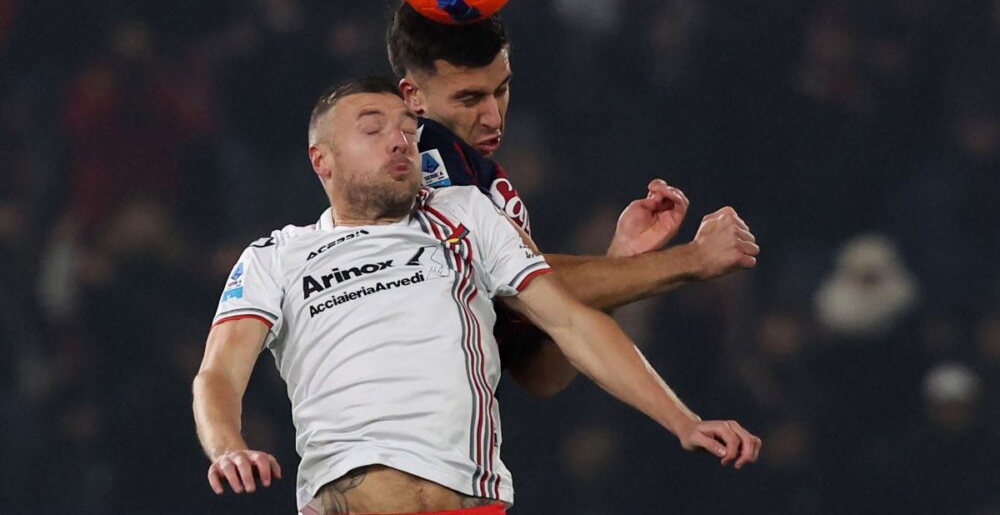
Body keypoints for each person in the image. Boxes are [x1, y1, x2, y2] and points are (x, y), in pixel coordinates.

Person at [192, 78, 762, 515]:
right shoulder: (276, 256)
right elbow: (218, 374)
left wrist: (683, 420)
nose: (399, 140)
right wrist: (227, 447)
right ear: (323, 161)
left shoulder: (465, 214)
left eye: (408, 130)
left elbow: (571, 323)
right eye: (373, 129)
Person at [387, 3, 760, 394]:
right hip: (395, 438)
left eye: (501, 89)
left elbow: (542, 373)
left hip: (460, 441)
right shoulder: (425, 157)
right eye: (468, 99)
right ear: (413, 97)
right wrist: (693, 259)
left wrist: (618, 264)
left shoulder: (484, 181)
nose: (494, 117)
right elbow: (528, 282)